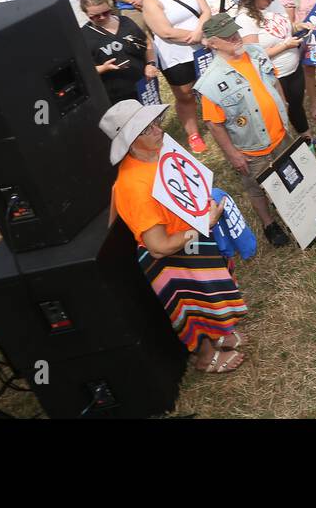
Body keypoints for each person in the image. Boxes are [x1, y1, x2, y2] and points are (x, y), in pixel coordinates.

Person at [100, 100, 246, 373]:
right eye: (147, 129)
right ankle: (204, 356)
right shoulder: (133, 185)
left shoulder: (160, 152)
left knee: (209, 294)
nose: (158, 129)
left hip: (190, 236)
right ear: (131, 143)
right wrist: (203, 224)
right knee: (192, 307)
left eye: (155, 122)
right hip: (170, 258)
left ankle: (219, 331)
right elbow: (157, 247)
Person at [195, 13, 298, 248]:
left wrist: (284, 104)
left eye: (235, 32)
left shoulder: (257, 53)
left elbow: (274, 79)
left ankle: (296, 210)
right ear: (212, 43)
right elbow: (213, 123)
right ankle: (269, 223)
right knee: (256, 187)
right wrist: (232, 153)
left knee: (288, 173)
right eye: (227, 37)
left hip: (280, 134)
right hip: (251, 147)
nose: (235, 37)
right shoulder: (211, 82)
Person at [234, 0, 316, 154]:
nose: (271, 1)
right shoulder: (245, 19)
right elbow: (253, 55)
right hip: (273, 75)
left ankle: (307, 140)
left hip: (293, 68)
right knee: (279, 113)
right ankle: (287, 151)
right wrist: (285, 46)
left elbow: (284, 28)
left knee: (296, 105)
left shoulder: (274, 3)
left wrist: (298, 26)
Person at [141, 0, 211, 154]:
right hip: (175, 56)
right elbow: (165, 32)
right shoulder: (151, 1)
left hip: (201, 48)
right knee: (185, 95)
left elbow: (205, 11)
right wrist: (197, 36)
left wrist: (199, 31)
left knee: (210, 86)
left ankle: (217, 120)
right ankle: (193, 134)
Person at [81, 0, 156, 104]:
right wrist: (104, 68)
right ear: (86, 14)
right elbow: (83, 70)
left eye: (106, 13)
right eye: (95, 16)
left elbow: (146, 42)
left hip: (143, 84)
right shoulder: (84, 36)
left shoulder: (125, 21)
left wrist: (150, 64)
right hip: (116, 94)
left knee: (154, 119)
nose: (102, 18)